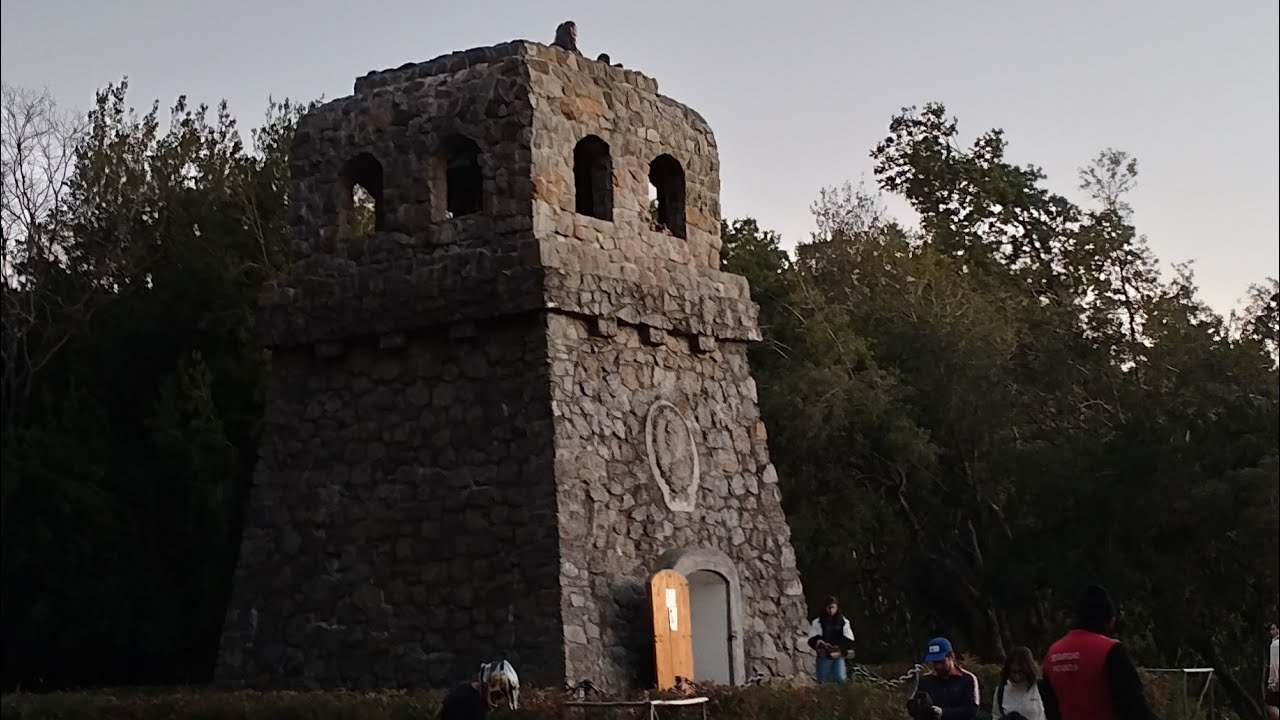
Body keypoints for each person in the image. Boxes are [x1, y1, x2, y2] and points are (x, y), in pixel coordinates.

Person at [1041, 585, 1156, 720]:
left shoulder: (1052, 654)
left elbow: (1050, 710)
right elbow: (1133, 707)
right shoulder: (1111, 650)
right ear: (1109, 620)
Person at [906, 637, 979, 720]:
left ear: (951, 657)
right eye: (934, 662)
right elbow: (915, 707)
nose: (937, 666)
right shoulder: (925, 680)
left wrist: (943, 713)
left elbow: (971, 710)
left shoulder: (967, 679)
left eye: (941, 661)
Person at [440, 660, 519, 720]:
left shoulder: (464, 690)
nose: (498, 700)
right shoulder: (471, 705)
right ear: (490, 685)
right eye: (498, 695)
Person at [806, 595, 856, 683]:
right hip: (824, 653)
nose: (831, 610)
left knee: (840, 678)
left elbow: (849, 638)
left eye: (833, 607)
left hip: (838, 653)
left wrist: (840, 647)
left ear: (837, 607)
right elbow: (812, 639)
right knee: (823, 680)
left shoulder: (843, 621)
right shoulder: (818, 622)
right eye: (829, 607)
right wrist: (820, 642)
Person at [993, 646, 1048, 720]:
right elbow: (996, 716)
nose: (1017, 676)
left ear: (1028, 670)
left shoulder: (1041, 688)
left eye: (1021, 672)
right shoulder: (1001, 690)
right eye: (1014, 672)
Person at [1266, 621, 1279, 720]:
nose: (1271, 632)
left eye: (1274, 629)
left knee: (1270, 704)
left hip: (1276, 682)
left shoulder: (1275, 644)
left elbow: (1276, 664)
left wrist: (1276, 682)